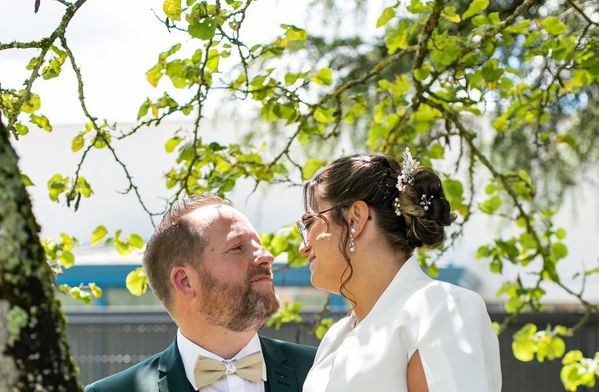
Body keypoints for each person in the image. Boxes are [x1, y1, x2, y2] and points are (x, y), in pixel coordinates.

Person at [297, 151, 502, 392]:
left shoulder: (441, 308)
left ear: (355, 219)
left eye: (310, 223)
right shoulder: (335, 338)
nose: (303, 246)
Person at [86, 194, 316, 392]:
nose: (267, 256)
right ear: (185, 281)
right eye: (238, 247)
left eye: (259, 244)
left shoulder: (322, 368)